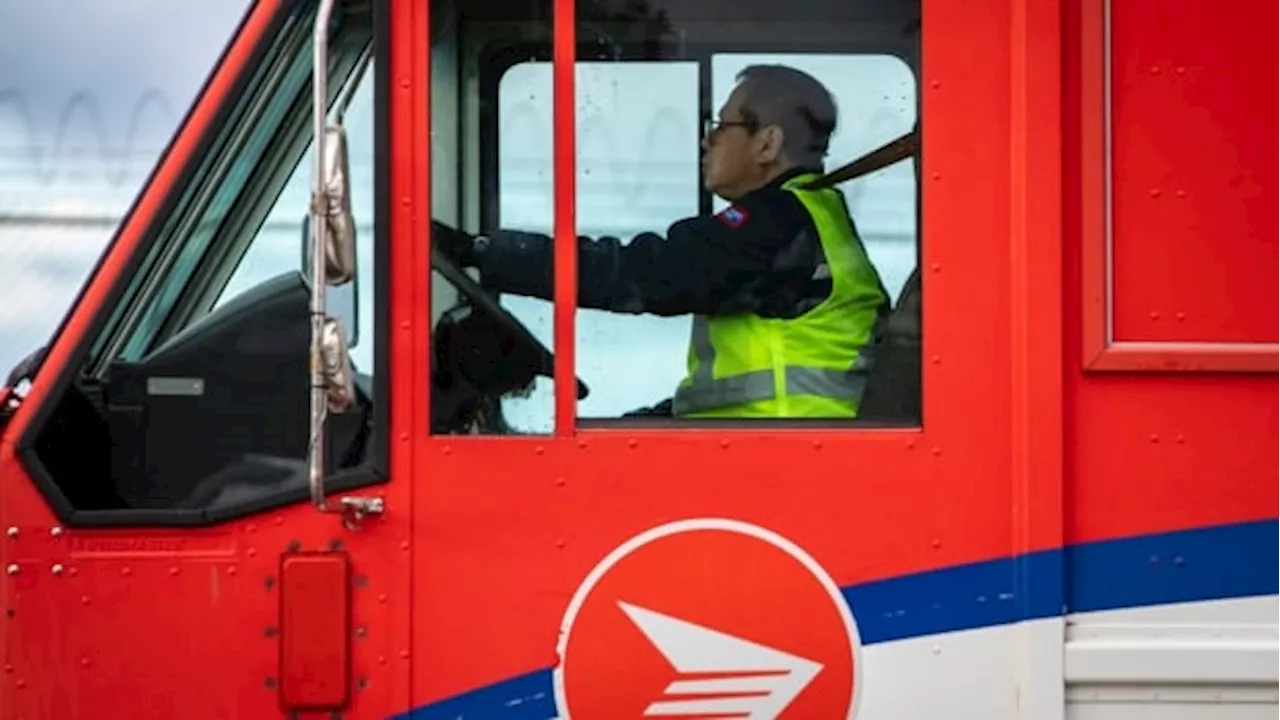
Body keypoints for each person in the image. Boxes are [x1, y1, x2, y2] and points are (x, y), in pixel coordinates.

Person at [433, 64, 889, 419]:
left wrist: (483, 253)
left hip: (782, 458)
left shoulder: (776, 222)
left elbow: (645, 274)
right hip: (776, 443)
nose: (705, 140)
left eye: (720, 125)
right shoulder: (808, 216)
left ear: (767, 143)